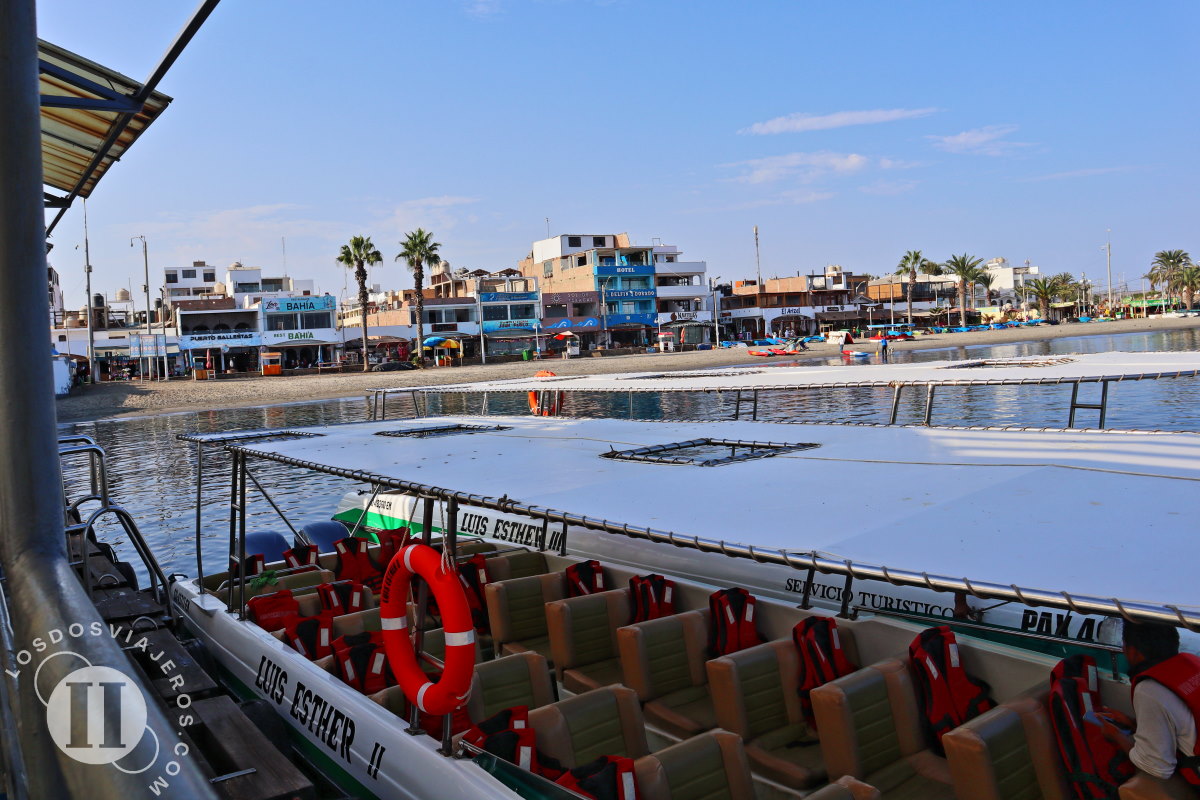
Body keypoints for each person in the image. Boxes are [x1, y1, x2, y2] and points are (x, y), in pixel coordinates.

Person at [1102, 621, 1200, 787]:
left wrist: (1116, 735)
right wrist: (1133, 724)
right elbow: (1184, 722)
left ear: (1132, 651)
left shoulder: (1149, 689)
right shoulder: (1193, 664)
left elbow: (1158, 767)